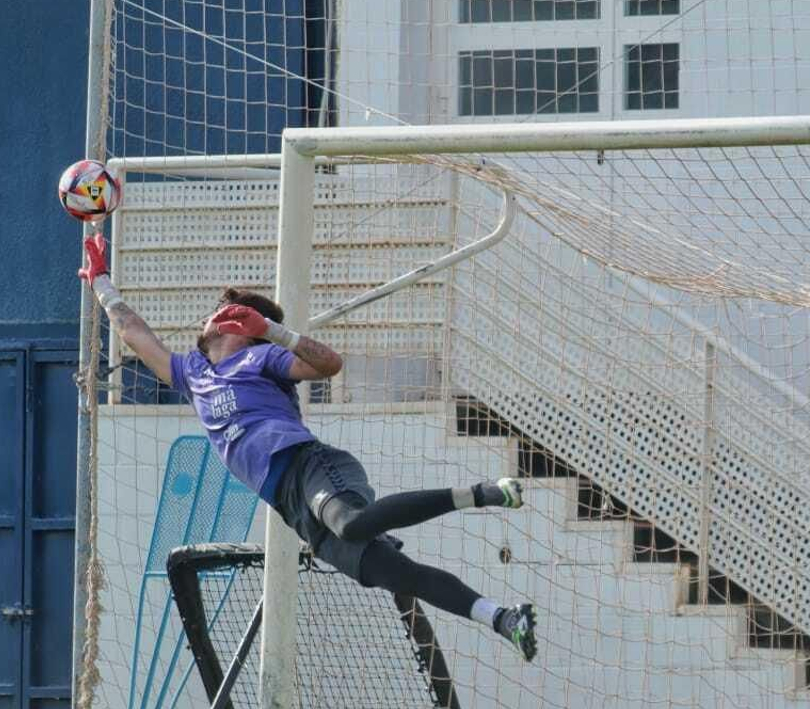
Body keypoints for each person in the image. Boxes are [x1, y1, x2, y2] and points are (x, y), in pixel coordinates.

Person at [78, 232, 538, 661]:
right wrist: (101, 280)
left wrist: (274, 331)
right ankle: (503, 618)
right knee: (393, 574)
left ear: (244, 327)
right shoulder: (192, 373)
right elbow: (133, 332)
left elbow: (329, 365)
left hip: (309, 465)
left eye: (227, 312)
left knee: (353, 524)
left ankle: (481, 492)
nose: (213, 317)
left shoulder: (261, 356)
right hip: (288, 503)